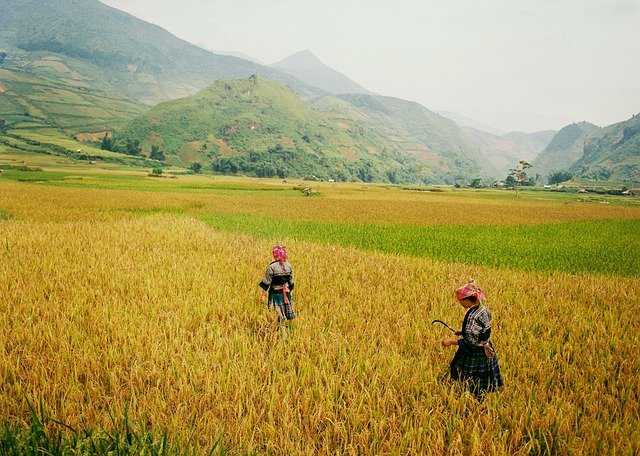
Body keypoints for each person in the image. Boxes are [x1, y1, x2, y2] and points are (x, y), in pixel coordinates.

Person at [441, 279, 503, 399]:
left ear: (467, 300)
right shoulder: (483, 309)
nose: (459, 303)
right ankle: (479, 396)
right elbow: (480, 330)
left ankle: (471, 398)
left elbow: (471, 343)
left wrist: (450, 342)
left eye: (460, 301)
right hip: (486, 347)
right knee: (482, 378)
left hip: (476, 352)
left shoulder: (472, 317)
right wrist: (463, 332)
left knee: (469, 377)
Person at [259, 245, 296, 322]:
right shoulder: (288, 265)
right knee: (286, 313)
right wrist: (290, 292)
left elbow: (266, 282)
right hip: (287, 293)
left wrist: (263, 295)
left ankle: (278, 330)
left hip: (275, 294)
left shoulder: (272, 267)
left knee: (276, 315)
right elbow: (291, 282)